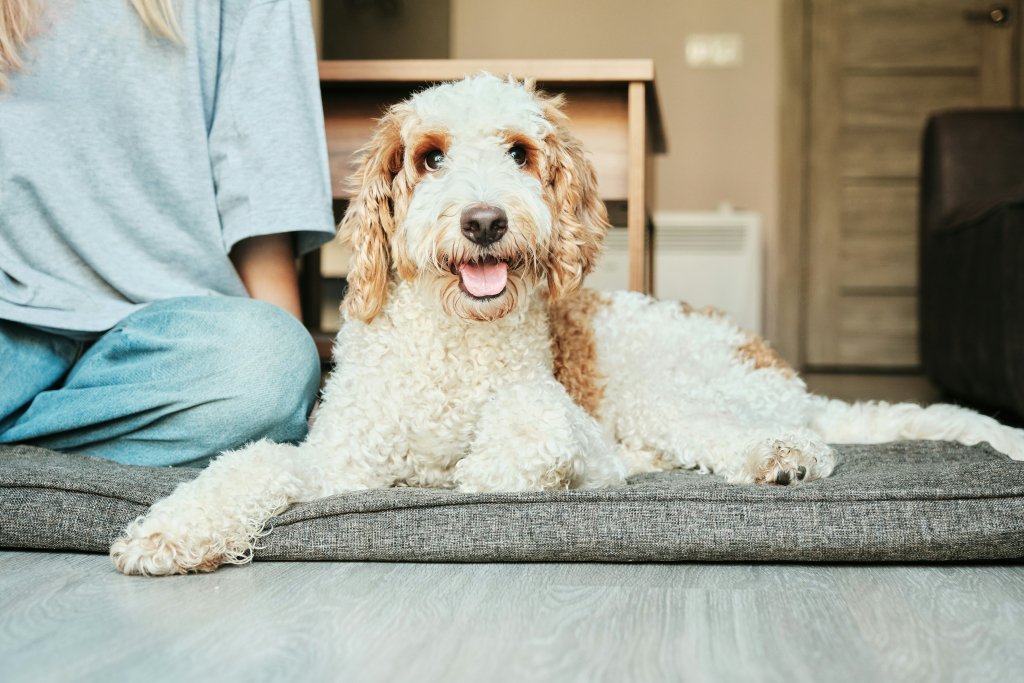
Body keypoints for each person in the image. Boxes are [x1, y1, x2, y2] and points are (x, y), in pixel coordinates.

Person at [0, 0, 336, 466]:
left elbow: (259, 195)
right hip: (10, 317)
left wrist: (294, 391)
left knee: (270, 369)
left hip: (172, 330)